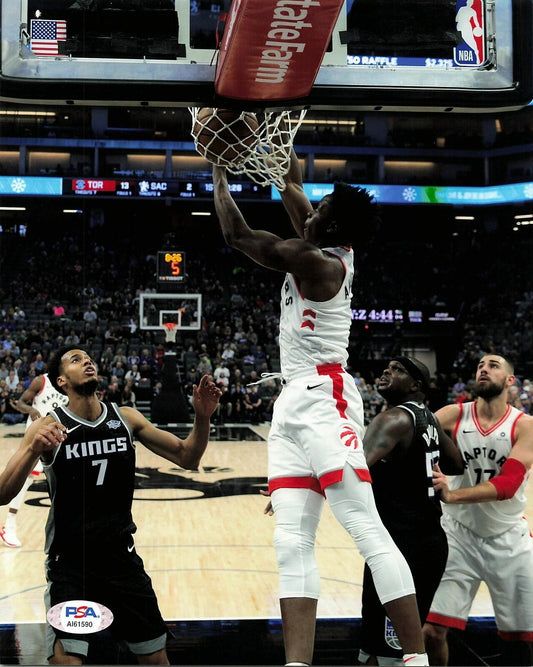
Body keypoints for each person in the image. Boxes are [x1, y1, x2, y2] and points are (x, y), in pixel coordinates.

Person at [213, 152, 429, 667]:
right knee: (291, 541)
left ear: (327, 225)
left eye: (317, 209)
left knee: (365, 527)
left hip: (325, 397)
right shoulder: (326, 238)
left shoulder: (319, 261)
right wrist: (273, 129)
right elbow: (290, 182)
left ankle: (415, 659)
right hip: (293, 401)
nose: (306, 210)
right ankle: (297, 664)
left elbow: (239, 237)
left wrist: (219, 173)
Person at [0, 345, 221, 665]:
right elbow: (4, 493)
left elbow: (188, 457)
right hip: (72, 564)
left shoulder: (125, 418)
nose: (87, 361)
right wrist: (34, 447)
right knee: (66, 662)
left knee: (156, 660)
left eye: (88, 358)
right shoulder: (47, 427)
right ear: (61, 381)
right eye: (76, 360)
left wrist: (202, 417)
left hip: (121, 560)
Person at [423, 353, 533, 666]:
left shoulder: (525, 426)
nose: (484, 369)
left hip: (509, 539)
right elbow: (406, 433)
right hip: (458, 536)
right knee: (431, 632)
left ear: (510, 380)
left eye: (493, 365)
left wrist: (452, 495)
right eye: (480, 365)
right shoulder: (453, 414)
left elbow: (508, 484)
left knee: (520, 642)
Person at [359, 357, 463, 665]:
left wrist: (295, 487)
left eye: (398, 369)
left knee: (386, 652)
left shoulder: (394, 419)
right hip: (427, 543)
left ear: (416, 385)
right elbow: (456, 463)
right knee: (399, 645)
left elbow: (352, 469)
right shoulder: (427, 418)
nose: (386, 372)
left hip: (402, 548)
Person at [0, 373, 68, 548]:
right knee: (26, 477)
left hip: (58, 436)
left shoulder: (70, 384)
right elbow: (20, 402)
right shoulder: (42, 381)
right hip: (37, 436)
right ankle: (9, 525)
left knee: (62, 481)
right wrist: (30, 410)